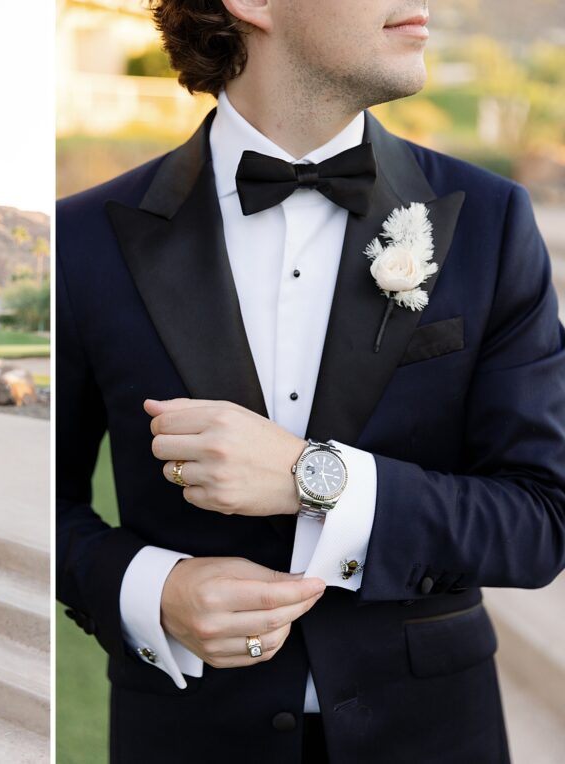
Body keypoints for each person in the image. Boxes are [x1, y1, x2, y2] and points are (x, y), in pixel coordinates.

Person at [56, 1, 565, 762]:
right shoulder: (81, 238)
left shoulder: (491, 221)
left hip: (433, 735)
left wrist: (312, 478)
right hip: (187, 735)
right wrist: (148, 588)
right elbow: (41, 502)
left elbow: (541, 519)